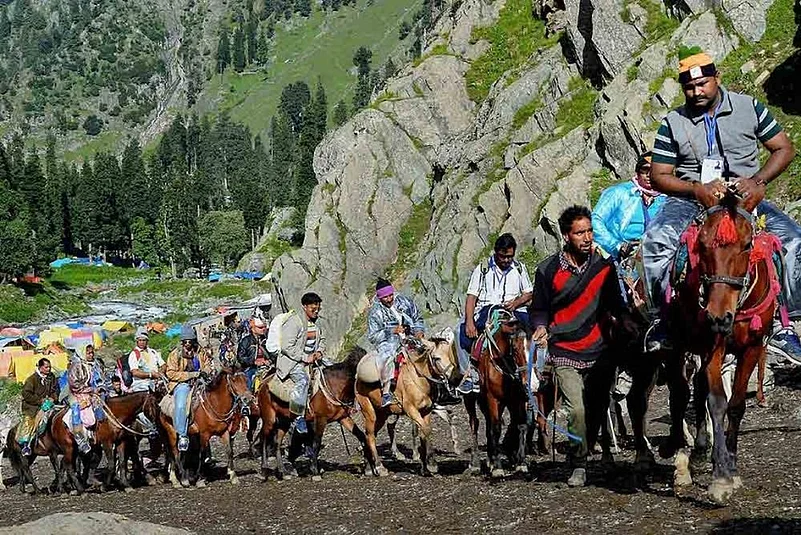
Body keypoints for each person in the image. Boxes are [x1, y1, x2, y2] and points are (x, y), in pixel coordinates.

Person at [646, 48, 801, 363]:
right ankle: (662, 321)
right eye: (689, 87)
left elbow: (784, 148)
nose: (697, 92)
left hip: (743, 198)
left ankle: (786, 325)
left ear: (717, 78)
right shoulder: (673, 122)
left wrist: (757, 180)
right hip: (691, 199)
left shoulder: (748, 107)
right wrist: (695, 188)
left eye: (702, 83)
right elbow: (659, 175)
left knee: (793, 240)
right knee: (655, 242)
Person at [530, 205, 626, 488]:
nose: (587, 238)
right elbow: (539, 308)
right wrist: (540, 326)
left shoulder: (604, 266)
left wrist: (626, 317)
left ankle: (589, 449)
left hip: (599, 348)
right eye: (579, 233)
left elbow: (615, 304)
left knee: (597, 406)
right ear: (566, 236)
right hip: (563, 348)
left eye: (590, 231)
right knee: (576, 410)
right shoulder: (547, 270)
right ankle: (579, 463)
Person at [459, 233, 533, 393]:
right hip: (488, 310)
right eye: (503, 256)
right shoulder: (483, 269)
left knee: (534, 332)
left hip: (514, 310)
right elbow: (472, 296)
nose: (506, 260)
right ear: (496, 252)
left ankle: (537, 370)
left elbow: (528, 293)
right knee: (461, 333)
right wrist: (470, 321)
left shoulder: (519, 268)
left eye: (510, 257)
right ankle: (470, 375)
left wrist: (516, 302)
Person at [592, 152, 666, 259]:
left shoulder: (665, 198)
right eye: (645, 170)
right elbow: (595, 220)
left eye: (654, 171)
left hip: (653, 254)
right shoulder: (619, 192)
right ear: (637, 172)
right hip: (617, 254)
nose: (649, 174)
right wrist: (617, 246)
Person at [367, 278, 426, 407]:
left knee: (430, 352)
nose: (389, 299)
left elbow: (417, 317)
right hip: (388, 343)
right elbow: (372, 336)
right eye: (385, 297)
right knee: (386, 358)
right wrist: (391, 331)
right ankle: (386, 392)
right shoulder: (375, 312)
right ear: (379, 297)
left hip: (410, 337)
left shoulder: (405, 302)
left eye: (390, 295)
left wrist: (419, 331)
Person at [275, 292, 326, 434]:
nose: (316, 312)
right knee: (303, 381)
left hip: (313, 360)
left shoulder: (317, 323)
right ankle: (298, 416)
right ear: (304, 307)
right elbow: (286, 346)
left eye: (318, 309)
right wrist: (305, 357)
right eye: (313, 309)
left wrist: (319, 352)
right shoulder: (294, 322)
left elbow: (322, 340)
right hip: (293, 362)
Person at [166, 324, 213, 452]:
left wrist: (205, 371)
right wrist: (191, 375)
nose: (188, 344)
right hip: (182, 384)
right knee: (181, 405)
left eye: (190, 341)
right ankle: (182, 434)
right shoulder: (175, 354)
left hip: (200, 381)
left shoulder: (200, 351)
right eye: (185, 341)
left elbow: (207, 364)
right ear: (182, 342)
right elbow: (170, 373)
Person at [67, 344, 106, 454]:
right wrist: (91, 389)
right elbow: (74, 384)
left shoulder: (96, 364)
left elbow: (102, 378)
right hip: (78, 393)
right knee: (76, 408)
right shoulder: (76, 366)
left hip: (94, 392)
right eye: (88, 353)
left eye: (92, 353)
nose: (91, 355)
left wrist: (101, 387)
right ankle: (79, 437)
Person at [18, 358, 59, 456]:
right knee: (29, 422)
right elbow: (26, 394)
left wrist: (53, 398)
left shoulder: (51, 377)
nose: (49, 369)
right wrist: (40, 401)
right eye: (46, 367)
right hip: (32, 406)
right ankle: (26, 445)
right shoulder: (31, 379)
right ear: (40, 367)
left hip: (49, 404)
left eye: (49, 367)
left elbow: (55, 389)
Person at [128, 327, 166, 392]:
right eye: (140, 340)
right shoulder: (134, 354)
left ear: (147, 341)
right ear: (137, 341)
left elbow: (163, 364)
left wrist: (161, 373)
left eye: (144, 340)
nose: (142, 342)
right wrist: (150, 375)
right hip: (141, 384)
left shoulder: (153, 352)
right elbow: (135, 372)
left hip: (156, 381)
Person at [237, 316, 270, 391]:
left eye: (264, 327)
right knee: (249, 382)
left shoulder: (267, 340)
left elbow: (272, 353)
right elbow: (240, 357)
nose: (263, 329)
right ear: (253, 329)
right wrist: (253, 362)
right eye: (260, 327)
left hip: (267, 366)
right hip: (251, 367)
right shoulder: (246, 341)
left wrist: (269, 361)